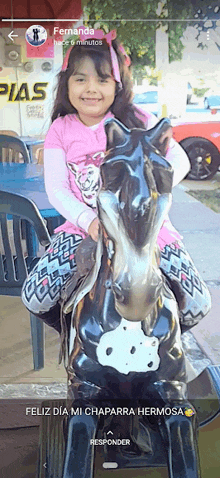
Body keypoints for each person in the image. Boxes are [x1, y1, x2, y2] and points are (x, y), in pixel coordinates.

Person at [22, 27, 211, 335]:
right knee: (35, 297)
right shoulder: (61, 128)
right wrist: (87, 220)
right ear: (66, 83)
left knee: (198, 302)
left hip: (148, 230)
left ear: (117, 84)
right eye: (80, 78)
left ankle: (162, 344)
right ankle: (77, 338)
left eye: (102, 79)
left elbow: (181, 160)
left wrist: (151, 196)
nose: (91, 88)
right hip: (84, 229)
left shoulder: (138, 120)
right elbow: (56, 187)